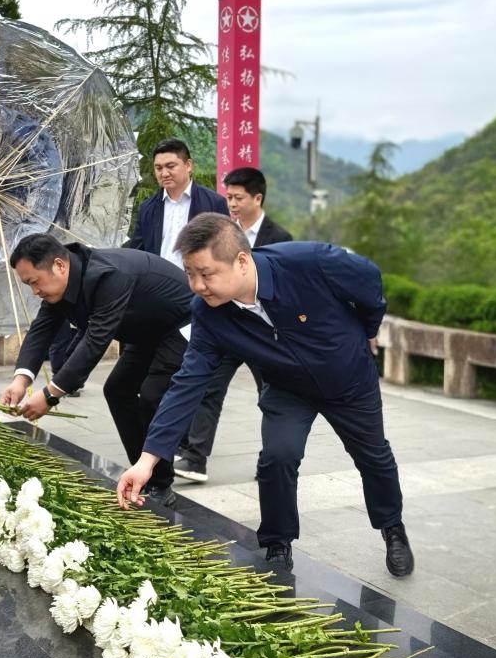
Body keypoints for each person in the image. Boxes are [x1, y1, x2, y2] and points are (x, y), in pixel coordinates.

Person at [115, 214, 414, 578]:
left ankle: (392, 528)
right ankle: (277, 544)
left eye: (206, 274)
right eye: (190, 274)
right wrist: (147, 461)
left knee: (373, 456)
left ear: (241, 261)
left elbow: (368, 278)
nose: (197, 285)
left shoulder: (309, 263)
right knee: (277, 457)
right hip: (287, 387)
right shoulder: (208, 313)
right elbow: (187, 382)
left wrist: (367, 329)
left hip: (348, 380)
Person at [0, 233, 194, 505]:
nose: (35, 291)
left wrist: (51, 395)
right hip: (146, 331)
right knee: (117, 390)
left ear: (59, 265)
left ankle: (160, 485)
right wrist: (21, 380)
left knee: (153, 396)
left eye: (34, 282)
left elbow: (95, 341)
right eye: (28, 285)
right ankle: (143, 475)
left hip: (182, 325)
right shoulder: (63, 282)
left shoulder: (108, 276)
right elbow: (42, 329)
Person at [174, 167, 293, 483]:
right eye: (229, 197)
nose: (232, 204)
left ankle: (269, 461)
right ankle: (195, 458)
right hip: (226, 327)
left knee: (271, 396)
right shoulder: (219, 234)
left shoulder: (280, 238)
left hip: (263, 333)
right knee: (209, 389)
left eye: (238, 198)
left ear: (257, 198)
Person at [126, 138, 228, 268]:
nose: (164, 174)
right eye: (158, 168)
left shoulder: (214, 203)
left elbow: (224, 251)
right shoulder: (147, 208)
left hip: (198, 278)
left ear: (188, 165)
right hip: (158, 278)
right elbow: (138, 254)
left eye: (170, 166)